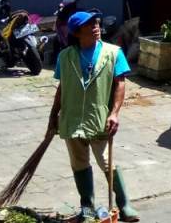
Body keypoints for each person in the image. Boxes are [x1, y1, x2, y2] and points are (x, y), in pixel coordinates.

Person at [48, 12, 139, 222]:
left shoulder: (114, 53)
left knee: (108, 162)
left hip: (99, 119)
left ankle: (124, 204)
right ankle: (87, 208)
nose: (96, 27)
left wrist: (114, 113)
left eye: (96, 23)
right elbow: (62, 88)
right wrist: (54, 115)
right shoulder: (66, 56)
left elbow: (120, 83)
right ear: (77, 32)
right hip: (71, 119)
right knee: (79, 163)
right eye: (90, 25)